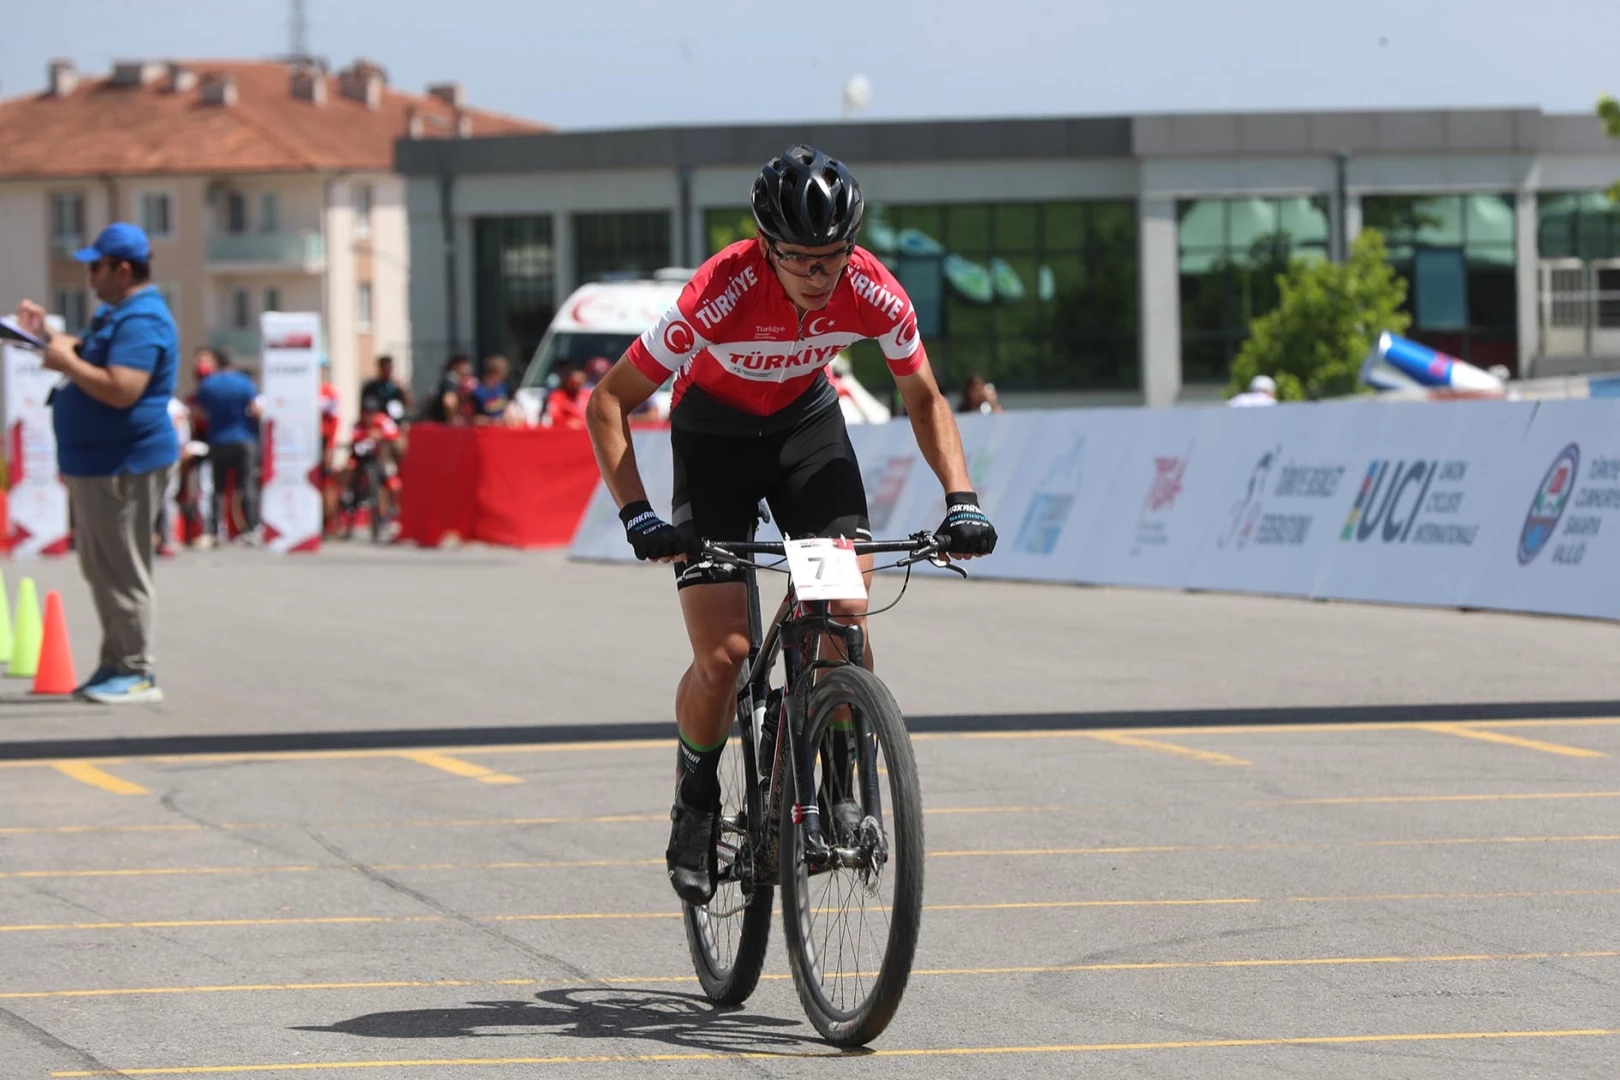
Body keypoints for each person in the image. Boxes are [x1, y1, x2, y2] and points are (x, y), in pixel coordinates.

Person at [583, 144, 997, 906]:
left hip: (807, 431)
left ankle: (837, 777)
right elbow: (607, 401)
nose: (821, 274)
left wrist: (961, 496)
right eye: (803, 259)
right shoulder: (718, 293)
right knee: (726, 655)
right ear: (767, 247)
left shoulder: (872, 289)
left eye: (834, 256)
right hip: (713, 441)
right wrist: (636, 513)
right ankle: (698, 799)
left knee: (842, 611)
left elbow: (927, 400)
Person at [12, 222, 178, 704]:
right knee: (103, 569)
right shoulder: (118, 315)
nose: (90, 276)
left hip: (121, 463)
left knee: (121, 570)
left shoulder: (141, 320)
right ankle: (115, 664)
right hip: (101, 462)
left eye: (97, 267)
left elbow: (122, 388)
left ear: (122, 269)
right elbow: (91, 359)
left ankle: (135, 670)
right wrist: (44, 336)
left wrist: (67, 365)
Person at [193, 352, 262, 542]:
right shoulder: (244, 382)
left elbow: (198, 413)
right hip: (244, 439)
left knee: (218, 488)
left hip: (218, 440)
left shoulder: (207, 385)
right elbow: (256, 409)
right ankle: (252, 528)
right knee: (247, 484)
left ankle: (216, 530)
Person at [318, 357, 342, 535]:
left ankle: (330, 522)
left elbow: (334, 422)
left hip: (325, 442)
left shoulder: (331, 394)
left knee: (328, 482)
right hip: (307, 444)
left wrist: (330, 447)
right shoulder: (304, 391)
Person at [360, 354, 411, 424]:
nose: (388, 371)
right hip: (377, 423)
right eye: (385, 368)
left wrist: (403, 390)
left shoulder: (396, 387)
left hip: (395, 423)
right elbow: (364, 409)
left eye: (390, 368)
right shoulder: (371, 387)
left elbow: (408, 403)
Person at [424, 353, 473, 424]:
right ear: (456, 365)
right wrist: (453, 419)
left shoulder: (457, 380)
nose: (468, 367)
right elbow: (449, 402)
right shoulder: (451, 380)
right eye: (465, 364)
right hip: (441, 423)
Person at [470, 355, 516, 425]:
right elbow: (472, 419)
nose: (505, 375)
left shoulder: (503, 386)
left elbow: (507, 406)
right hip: (485, 432)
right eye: (502, 372)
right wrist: (493, 421)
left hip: (503, 430)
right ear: (493, 372)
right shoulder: (477, 391)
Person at [546, 364, 590, 429]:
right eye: (573, 383)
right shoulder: (557, 396)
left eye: (579, 384)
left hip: (586, 431)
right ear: (568, 381)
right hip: (566, 431)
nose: (576, 386)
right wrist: (567, 422)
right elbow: (554, 415)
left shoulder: (587, 395)